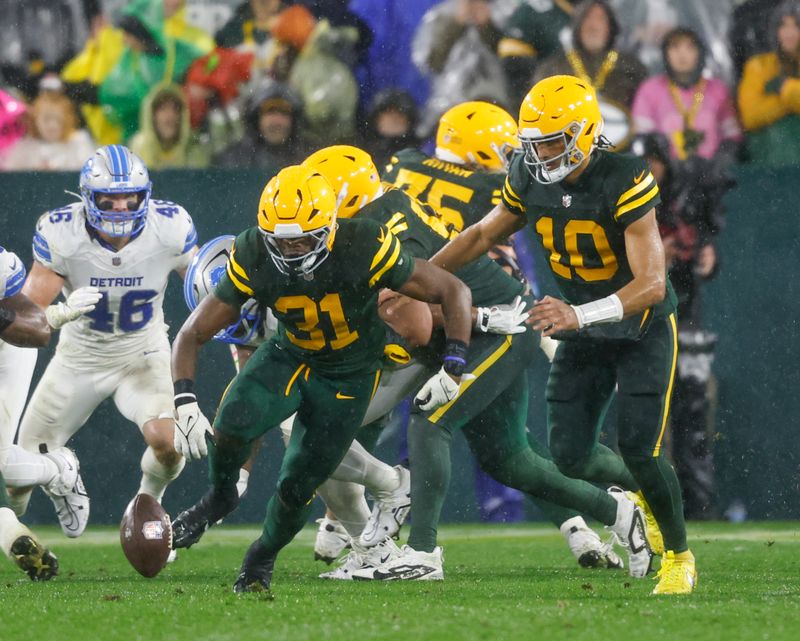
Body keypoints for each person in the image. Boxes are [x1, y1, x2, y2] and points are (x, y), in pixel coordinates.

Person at [305, 145, 653, 582]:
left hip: (494, 328)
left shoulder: (384, 227)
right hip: (475, 328)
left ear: (345, 197)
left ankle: (422, 553)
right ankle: (620, 512)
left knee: (430, 420)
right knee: (511, 460)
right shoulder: (373, 214)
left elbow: (414, 323)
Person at [427, 75, 696, 595]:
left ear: (584, 131)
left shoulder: (624, 174)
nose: (543, 153)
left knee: (641, 448)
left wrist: (579, 314)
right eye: (536, 142)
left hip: (639, 327)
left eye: (553, 140)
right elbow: (483, 234)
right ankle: (641, 497)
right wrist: (415, 278)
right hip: (579, 324)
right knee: (569, 454)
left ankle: (679, 556)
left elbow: (651, 285)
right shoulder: (529, 174)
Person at [169, 164, 474, 594]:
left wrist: (455, 362)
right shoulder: (253, 251)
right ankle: (218, 497)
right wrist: (183, 401)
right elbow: (192, 332)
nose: (291, 251)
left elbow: (453, 290)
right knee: (233, 422)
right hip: (290, 354)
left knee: (298, 483)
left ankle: (262, 556)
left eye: (302, 240)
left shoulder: (364, 243)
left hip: (349, 373)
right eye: (282, 241)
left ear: (330, 227)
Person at [8, 145, 199, 538]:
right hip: (78, 359)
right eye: (108, 199)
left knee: (168, 443)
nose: (120, 207)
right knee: (16, 483)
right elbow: (27, 317)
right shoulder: (64, 233)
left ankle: (148, 509)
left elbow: (206, 289)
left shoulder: (170, 227)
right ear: (87, 198)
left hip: (142, 353)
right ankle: (62, 475)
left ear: (145, 196)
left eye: (130, 197)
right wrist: (56, 315)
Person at [0, 244, 96, 579]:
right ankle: (56, 469)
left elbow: (38, 331)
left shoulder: (1, 264)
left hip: (7, 350)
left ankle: (9, 529)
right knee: (6, 467)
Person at [533, 0, 646, 149]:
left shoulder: (632, 67)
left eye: (601, 19)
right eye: (587, 18)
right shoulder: (552, 68)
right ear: (577, 26)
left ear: (611, 27)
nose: (594, 26)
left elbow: (645, 113)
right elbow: (538, 111)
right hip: (566, 152)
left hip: (623, 150)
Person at [632, 27, 742, 163]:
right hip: (666, 178)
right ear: (665, 53)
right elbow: (642, 138)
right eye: (675, 47)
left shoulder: (717, 90)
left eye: (690, 48)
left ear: (700, 53)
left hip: (713, 177)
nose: (682, 55)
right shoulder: (649, 90)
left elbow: (733, 138)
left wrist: (718, 165)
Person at [738, 0, 800, 166]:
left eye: (796, 25)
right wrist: (790, 104)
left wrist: (786, 90)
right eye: (783, 26)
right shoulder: (759, 65)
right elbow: (751, 116)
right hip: (774, 163)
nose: (789, 33)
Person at [2, 88, 95, 171]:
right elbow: (10, 176)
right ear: (35, 120)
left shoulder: (79, 143)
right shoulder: (24, 147)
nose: (52, 125)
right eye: (46, 119)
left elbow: (90, 173)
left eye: (58, 119)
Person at [129, 83, 210, 169]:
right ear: (152, 116)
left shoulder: (194, 150)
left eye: (175, 109)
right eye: (163, 109)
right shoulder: (138, 149)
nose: (170, 116)